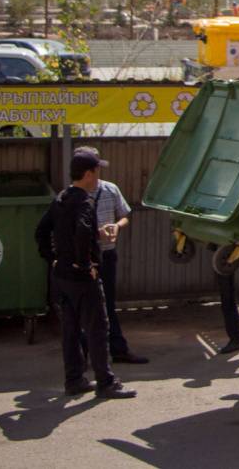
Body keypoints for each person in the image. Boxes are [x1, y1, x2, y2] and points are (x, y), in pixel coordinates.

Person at [35, 152, 136, 399]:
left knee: (70, 330)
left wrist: (53, 258)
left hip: (62, 276)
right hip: (82, 278)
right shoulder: (84, 202)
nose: (98, 176)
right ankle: (106, 382)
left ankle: (74, 380)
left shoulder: (61, 198)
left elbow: (41, 231)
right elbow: (81, 231)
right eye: (97, 171)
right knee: (98, 329)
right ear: (89, 174)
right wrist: (86, 264)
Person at [77, 146, 149, 365]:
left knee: (107, 303)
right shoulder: (73, 195)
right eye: (95, 167)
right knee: (84, 307)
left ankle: (117, 349)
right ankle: (84, 355)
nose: (98, 172)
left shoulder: (110, 189)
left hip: (107, 255)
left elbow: (125, 214)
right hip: (83, 259)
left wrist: (117, 226)